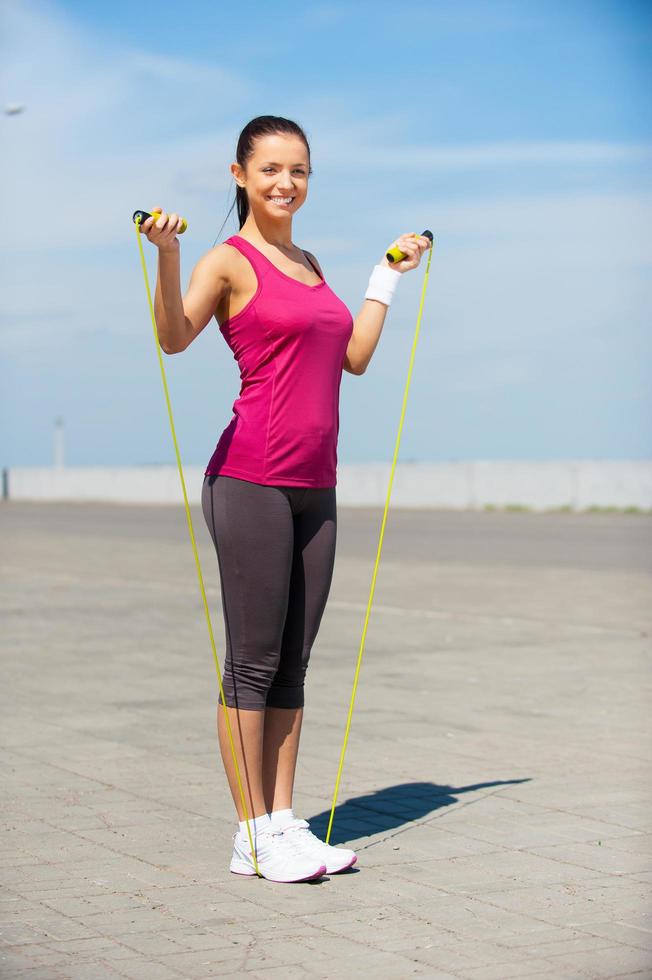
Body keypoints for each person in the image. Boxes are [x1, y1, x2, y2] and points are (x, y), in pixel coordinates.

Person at [140, 114, 430, 883]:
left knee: (294, 664)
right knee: (252, 665)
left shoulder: (308, 261)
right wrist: (168, 259)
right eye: (270, 169)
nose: (286, 183)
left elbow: (354, 358)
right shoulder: (227, 260)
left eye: (299, 170)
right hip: (250, 478)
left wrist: (385, 276)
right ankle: (250, 833)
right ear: (240, 174)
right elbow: (174, 337)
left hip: (315, 484)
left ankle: (282, 822)